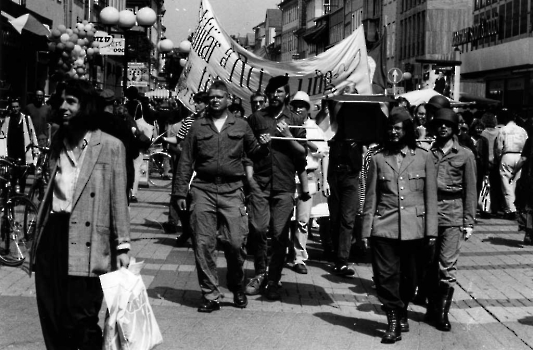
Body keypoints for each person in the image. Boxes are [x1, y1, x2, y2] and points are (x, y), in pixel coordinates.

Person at [30, 79, 131, 349]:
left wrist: (122, 246)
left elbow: (118, 199)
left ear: (85, 107)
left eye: (71, 102)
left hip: (89, 239)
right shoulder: (57, 142)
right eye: (61, 101)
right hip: (53, 235)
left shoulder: (110, 146)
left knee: (82, 317)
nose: (63, 107)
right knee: (52, 315)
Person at [173, 80, 269, 312]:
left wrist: (265, 145)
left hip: (232, 190)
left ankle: (236, 285)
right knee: (203, 244)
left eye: (219, 96)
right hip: (203, 189)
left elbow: (254, 152)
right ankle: (211, 295)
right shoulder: (198, 127)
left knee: (236, 242)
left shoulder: (241, 125)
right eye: (211, 97)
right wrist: (179, 191)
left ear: (228, 99)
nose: (215, 100)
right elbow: (186, 160)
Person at [361, 107, 438, 344]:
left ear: (407, 131)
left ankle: (402, 309)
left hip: (415, 228)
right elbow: (371, 197)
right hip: (384, 226)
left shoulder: (424, 157)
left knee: (410, 278)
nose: (393, 133)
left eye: (398, 129)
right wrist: (365, 230)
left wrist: (431, 231)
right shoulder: (378, 158)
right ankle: (393, 318)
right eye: (390, 128)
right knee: (385, 276)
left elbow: (431, 197)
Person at [245, 75, 307, 300]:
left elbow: (303, 153)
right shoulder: (256, 118)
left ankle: (273, 279)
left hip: (284, 185)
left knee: (280, 234)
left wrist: (288, 135)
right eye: (271, 92)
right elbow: (247, 152)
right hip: (260, 184)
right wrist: (258, 148)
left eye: (279, 92)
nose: (274, 95)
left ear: (286, 95)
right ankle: (260, 273)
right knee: (259, 230)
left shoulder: (295, 119)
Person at [426, 108, 476, 332]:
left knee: (447, 266)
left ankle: (442, 314)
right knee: (428, 263)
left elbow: (471, 190)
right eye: (440, 124)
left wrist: (469, 221)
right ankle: (432, 308)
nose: (443, 127)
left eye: (448, 124)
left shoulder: (465, 155)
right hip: (428, 213)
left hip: (453, 214)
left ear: (455, 128)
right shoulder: (428, 152)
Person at [288, 91, 328, 274]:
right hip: (288, 175)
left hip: (308, 175)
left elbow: (323, 151)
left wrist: (307, 142)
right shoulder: (286, 124)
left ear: (308, 108)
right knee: (286, 218)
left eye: (302, 105)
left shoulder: (314, 129)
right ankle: (286, 251)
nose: (298, 108)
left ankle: (299, 257)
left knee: (303, 220)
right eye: (295, 105)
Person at [494, 109, 528, 220]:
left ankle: (510, 208)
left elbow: (499, 147)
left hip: (507, 156)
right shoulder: (522, 130)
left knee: (506, 183)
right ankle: (516, 207)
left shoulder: (503, 130)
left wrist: (499, 158)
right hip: (520, 156)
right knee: (515, 182)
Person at [2, 97, 39, 193]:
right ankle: (14, 195)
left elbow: (32, 134)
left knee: (23, 174)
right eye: (13, 107)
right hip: (11, 152)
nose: (15, 109)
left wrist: (35, 150)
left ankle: (21, 194)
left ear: (20, 107)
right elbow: (2, 136)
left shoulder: (26, 119)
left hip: (23, 151)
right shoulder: (7, 120)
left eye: (17, 107)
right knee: (12, 175)